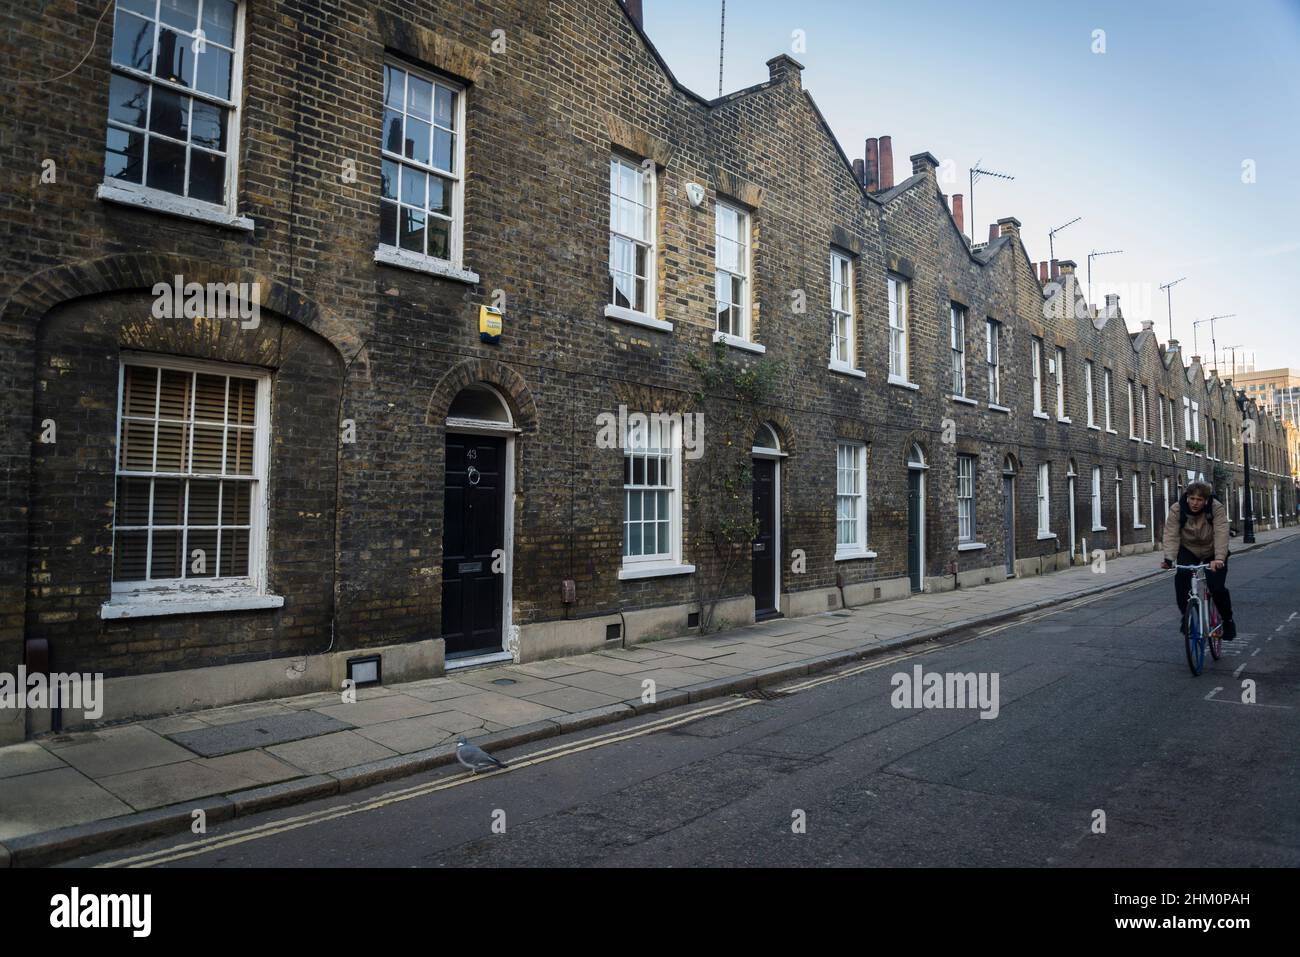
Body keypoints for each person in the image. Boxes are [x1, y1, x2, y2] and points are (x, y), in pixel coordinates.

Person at [1160, 480, 1235, 640]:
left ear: (1206, 500)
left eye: (1199, 500)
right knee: (1181, 579)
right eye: (1192, 498)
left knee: (1216, 587)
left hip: (1213, 550)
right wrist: (1169, 558)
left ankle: (1228, 621)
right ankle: (1186, 615)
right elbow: (1171, 534)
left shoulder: (1216, 508)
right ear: (1187, 497)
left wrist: (1220, 558)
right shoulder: (1177, 509)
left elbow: (1221, 533)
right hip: (1189, 548)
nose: (1195, 503)